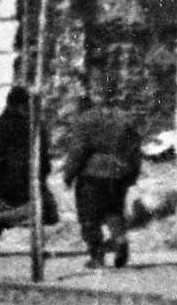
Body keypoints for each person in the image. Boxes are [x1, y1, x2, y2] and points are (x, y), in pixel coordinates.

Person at [56, 82, 144, 268]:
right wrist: (132, 174)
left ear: (96, 96)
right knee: (114, 211)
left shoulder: (85, 120)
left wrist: (68, 175)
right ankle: (120, 240)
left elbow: (78, 150)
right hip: (118, 173)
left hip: (92, 174)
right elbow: (134, 150)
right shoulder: (126, 119)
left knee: (89, 217)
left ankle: (97, 256)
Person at [0, 84, 55, 256]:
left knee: (0, 205)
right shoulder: (36, 120)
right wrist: (45, 168)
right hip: (32, 170)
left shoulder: (6, 120)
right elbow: (44, 147)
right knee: (36, 208)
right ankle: (38, 247)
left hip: (9, 172)